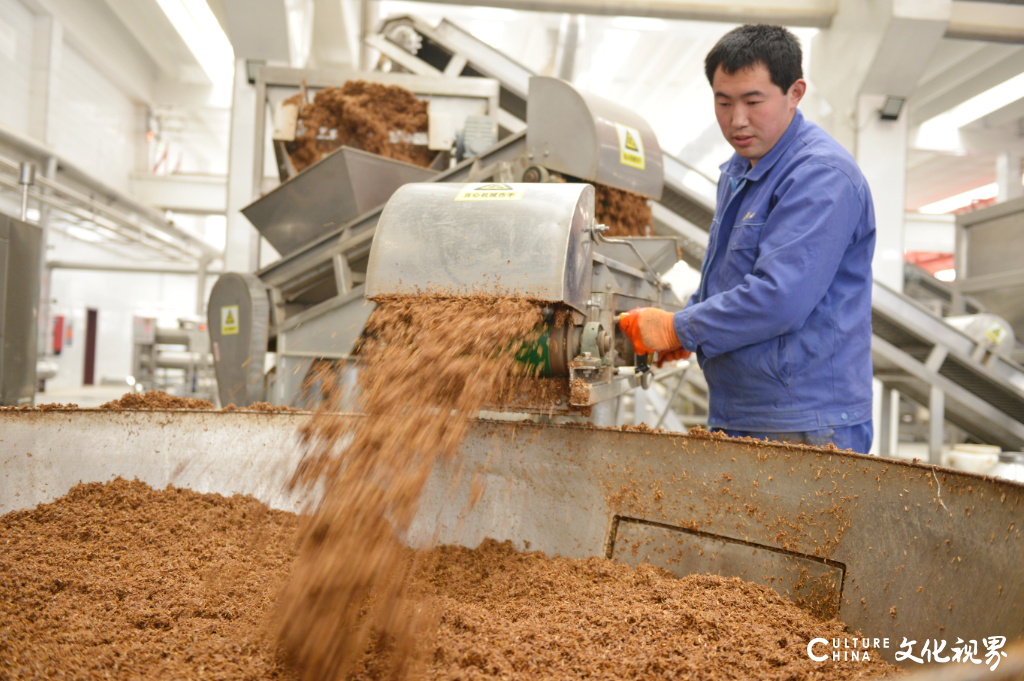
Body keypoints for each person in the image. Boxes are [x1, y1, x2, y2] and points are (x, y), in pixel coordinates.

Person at [618, 24, 875, 453]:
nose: (737, 120)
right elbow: (728, 279)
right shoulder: (741, 170)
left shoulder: (819, 175)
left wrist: (679, 329)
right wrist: (688, 329)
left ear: (795, 93)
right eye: (723, 102)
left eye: (753, 101)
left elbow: (781, 298)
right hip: (743, 408)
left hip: (804, 420)